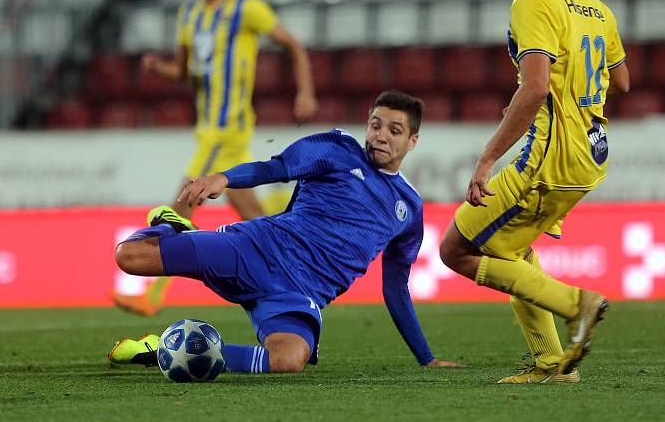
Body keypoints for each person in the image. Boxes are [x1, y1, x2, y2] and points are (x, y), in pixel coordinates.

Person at [109, 91, 462, 373]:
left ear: (413, 140)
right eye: (375, 125)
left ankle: (170, 350)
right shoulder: (337, 150)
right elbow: (275, 168)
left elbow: (396, 287)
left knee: (288, 360)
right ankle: (171, 225)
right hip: (255, 250)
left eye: (394, 131)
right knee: (129, 256)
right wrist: (223, 179)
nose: (380, 136)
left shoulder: (409, 208)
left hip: (297, 295)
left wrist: (426, 357)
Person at [439, 0, 630, 384]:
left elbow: (537, 86)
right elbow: (620, 81)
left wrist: (486, 159)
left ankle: (575, 305)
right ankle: (551, 364)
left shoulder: (530, 2)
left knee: (456, 250)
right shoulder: (592, 4)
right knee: (512, 248)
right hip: (590, 153)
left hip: (549, 158)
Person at [112, 0, 318, 316]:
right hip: (212, 129)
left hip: (227, 129)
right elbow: (186, 70)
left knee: (181, 206)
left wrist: (305, 91)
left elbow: (293, 45)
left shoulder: (247, 9)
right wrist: (160, 68)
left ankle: (152, 296)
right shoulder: (189, 15)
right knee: (258, 221)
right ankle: (298, 277)